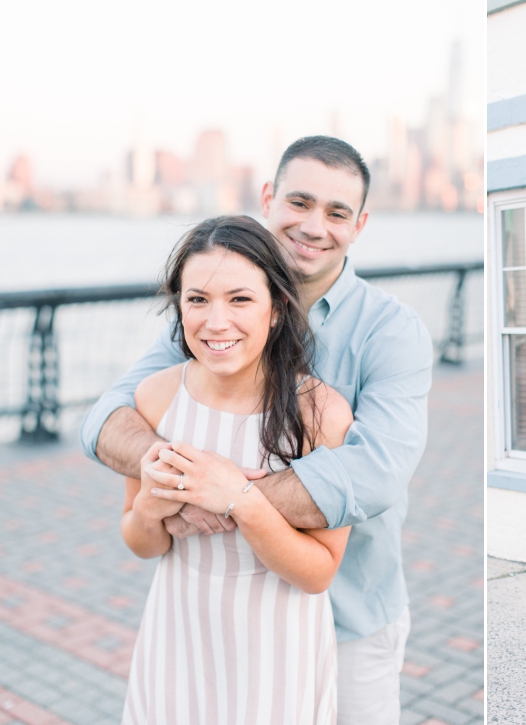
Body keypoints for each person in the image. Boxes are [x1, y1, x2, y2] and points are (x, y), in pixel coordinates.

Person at [82, 136, 433, 724]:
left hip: (347, 614)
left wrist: (228, 497)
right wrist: (166, 487)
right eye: (299, 202)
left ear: (360, 224)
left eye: (337, 212)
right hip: (197, 620)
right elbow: (108, 419)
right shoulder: (212, 320)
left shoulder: (392, 333)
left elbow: (375, 476)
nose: (314, 225)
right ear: (268, 198)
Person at [121, 216, 352, 722]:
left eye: (240, 299)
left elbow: (318, 573)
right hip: (177, 631)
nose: (216, 321)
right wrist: (149, 509)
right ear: (178, 305)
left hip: (276, 647)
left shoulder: (321, 414)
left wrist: (240, 499)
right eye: (197, 299)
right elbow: (141, 543)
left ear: (276, 309)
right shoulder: (156, 397)